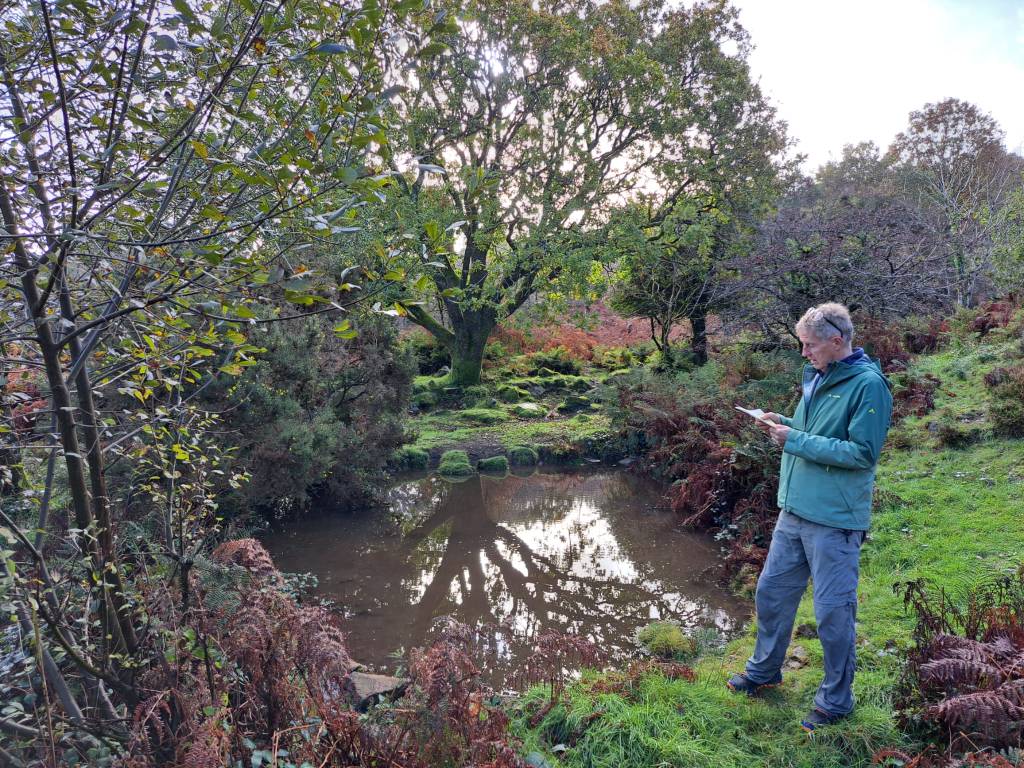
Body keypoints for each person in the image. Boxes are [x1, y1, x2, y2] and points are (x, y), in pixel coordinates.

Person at [726, 302, 893, 733]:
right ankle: (765, 671)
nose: (804, 353)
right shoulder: (818, 375)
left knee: (833, 614)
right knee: (771, 594)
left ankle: (836, 702)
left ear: (837, 341)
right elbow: (814, 432)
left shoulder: (868, 385)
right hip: (794, 511)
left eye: (810, 345)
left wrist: (794, 440)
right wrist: (780, 422)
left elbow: (862, 453)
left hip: (835, 519)